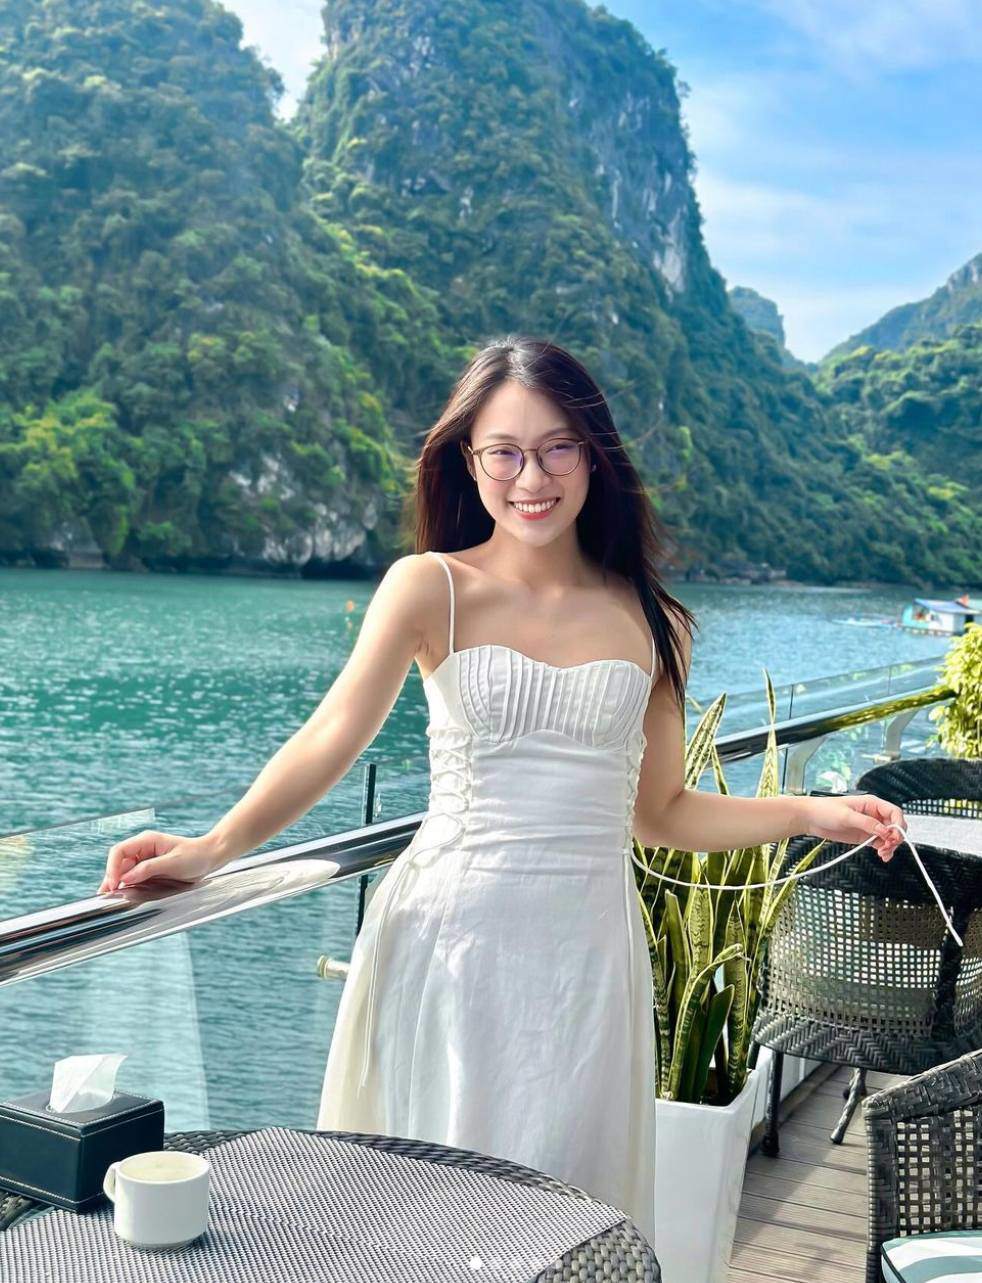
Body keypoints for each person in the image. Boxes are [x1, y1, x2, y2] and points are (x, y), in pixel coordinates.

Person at [96, 335, 905, 1249]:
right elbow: (331, 736)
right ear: (469, 461)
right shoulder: (430, 588)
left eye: (557, 448)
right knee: (414, 1219)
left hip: (585, 964)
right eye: (505, 453)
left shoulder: (655, 621)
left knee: (558, 1221)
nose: (532, 478)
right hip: (446, 946)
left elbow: (662, 813)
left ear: (593, 455)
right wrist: (212, 848)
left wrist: (812, 812)